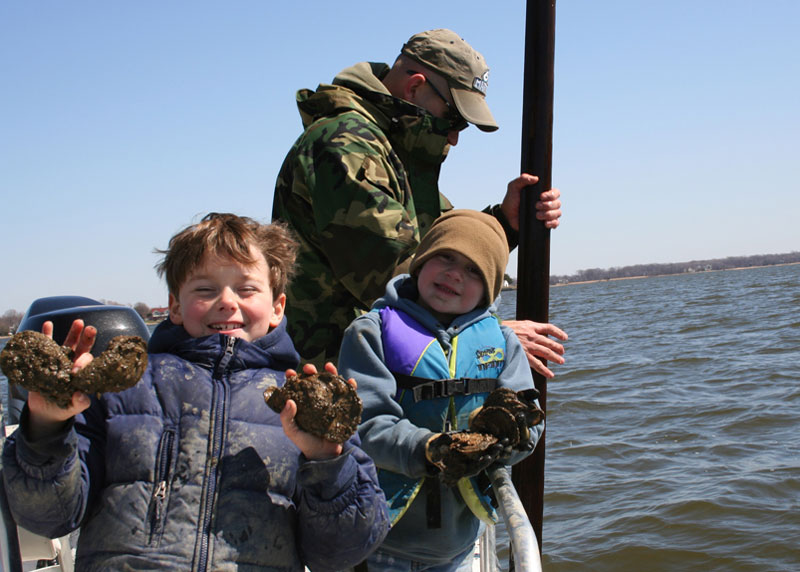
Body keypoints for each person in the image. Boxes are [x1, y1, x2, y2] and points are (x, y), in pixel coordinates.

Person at [1, 213, 389, 571]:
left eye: (247, 288)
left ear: (277, 307)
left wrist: (327, 461)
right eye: (205, 289)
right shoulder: (119, 391)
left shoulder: (306, 404)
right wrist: (47, 428)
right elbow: (49, 517)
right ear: (174, 305)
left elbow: (341, 552)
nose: (226, 301)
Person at [272, 28, 567, 372]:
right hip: (339, 378)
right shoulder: (346, 145)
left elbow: (438, 247)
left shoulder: (391, 151)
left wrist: (505, 223)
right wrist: (490, 335)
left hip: (383, 369)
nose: (454, 137)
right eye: (453, 118)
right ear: (414, 87)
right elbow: (397, 279)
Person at [338, 210, 545, 571]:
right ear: (419, 263)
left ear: (489, 287)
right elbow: (364, 424)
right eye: (445, 257)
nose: (454, 274)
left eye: (473, 270)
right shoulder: (370, 332)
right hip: (384, 542)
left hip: (462, 545)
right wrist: (430, 449)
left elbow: (532, 422)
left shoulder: (503, 341)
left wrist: (507, 437)